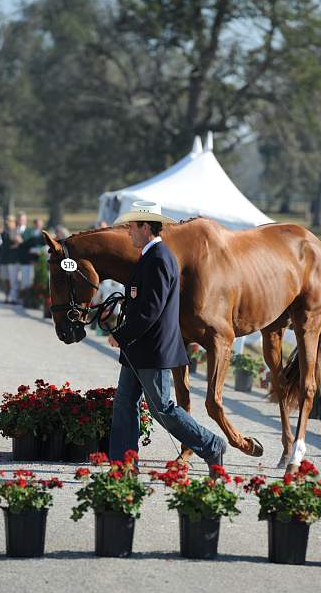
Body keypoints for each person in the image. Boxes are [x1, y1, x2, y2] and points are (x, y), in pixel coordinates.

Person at [107, 200, 226, 474]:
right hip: (139, 349)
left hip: (152, 349)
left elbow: (151, 310)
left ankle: (211, 445)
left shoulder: (160, 258)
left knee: (164, 409)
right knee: (125, 404)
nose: (128, 232)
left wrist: (122, 335)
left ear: (145, 227)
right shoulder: (150, 257)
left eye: (132, 227)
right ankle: (123, 464)